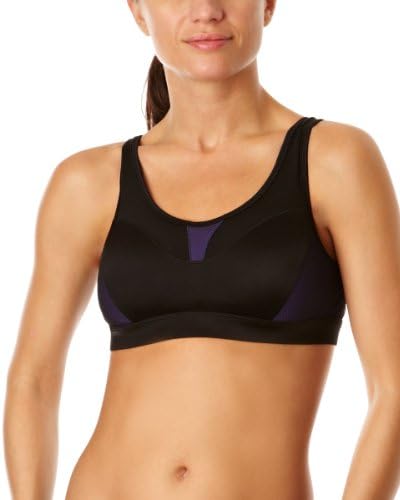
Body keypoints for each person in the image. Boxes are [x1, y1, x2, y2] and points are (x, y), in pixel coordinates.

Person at [4, 0, 400, 499]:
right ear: (138, 11)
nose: (206, 10)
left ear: (268, 4)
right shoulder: (87, 183)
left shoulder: (335, 162)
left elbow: (393, 389)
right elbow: (33, 381)